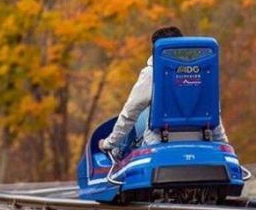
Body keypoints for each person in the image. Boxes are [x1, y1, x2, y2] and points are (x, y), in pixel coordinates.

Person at [98, 26, 229, 159]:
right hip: (201, 143)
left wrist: (110, 143)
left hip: (158, 145)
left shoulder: (150, 74)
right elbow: (214, 118)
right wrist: (225, 148)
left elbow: (129, 114)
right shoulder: (204, 73)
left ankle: (116, 154)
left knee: (134, 129)